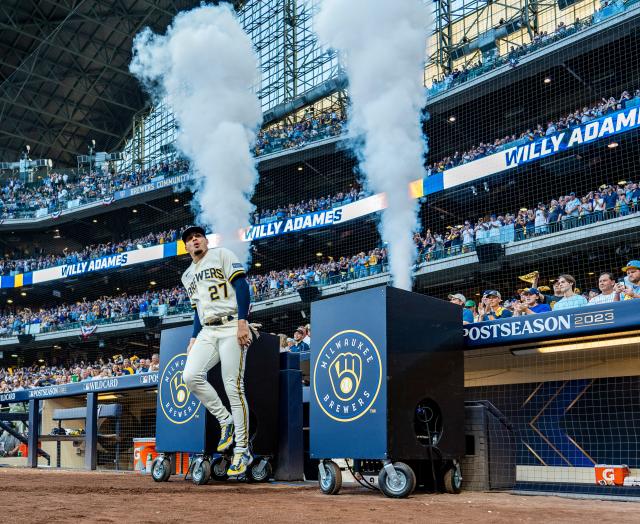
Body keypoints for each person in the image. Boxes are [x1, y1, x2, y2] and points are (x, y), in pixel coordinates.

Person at [180, 226, 255, 477]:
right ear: (187, 247)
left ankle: (242, 450)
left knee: (232, 385)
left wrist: (243, 321)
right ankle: (226, 421)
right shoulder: (187, 275)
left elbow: (242, 286)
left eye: (198, 236)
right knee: (190, 376)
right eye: (190, 239)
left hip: (232, 323)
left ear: (205, 241)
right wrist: (193, 336)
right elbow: (197, 309)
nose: (194, 240)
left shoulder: (221, 254)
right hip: (207, 331)